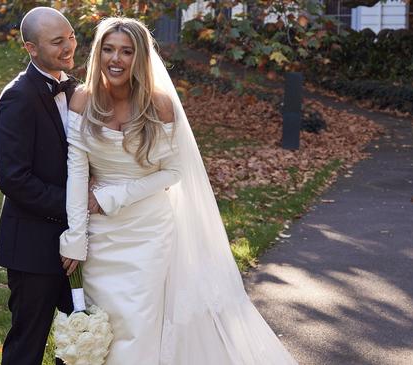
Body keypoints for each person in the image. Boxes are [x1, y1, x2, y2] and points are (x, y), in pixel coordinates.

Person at [59, 17, 298, 364]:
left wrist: (112, 195)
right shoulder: (82, 100)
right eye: (108, 49)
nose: (116, 59)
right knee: (107, 321)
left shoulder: (159, 105)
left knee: (139, 320)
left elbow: (172, 172)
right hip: (100, 234)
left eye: (126, 51)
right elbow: (76, 173)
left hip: (148, 229)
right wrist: (75, 237)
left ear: (139, 58)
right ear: (98, 54)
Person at [0, 7, 79, 365]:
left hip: (80, 243)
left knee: (81, 340)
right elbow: (14, 178)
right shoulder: (18, 96)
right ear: (31, 48)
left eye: (71, 36)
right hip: (33, 247)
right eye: (57, 41)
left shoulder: (76, 89)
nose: (69, 46)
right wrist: (75, 205)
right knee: (27, 346)